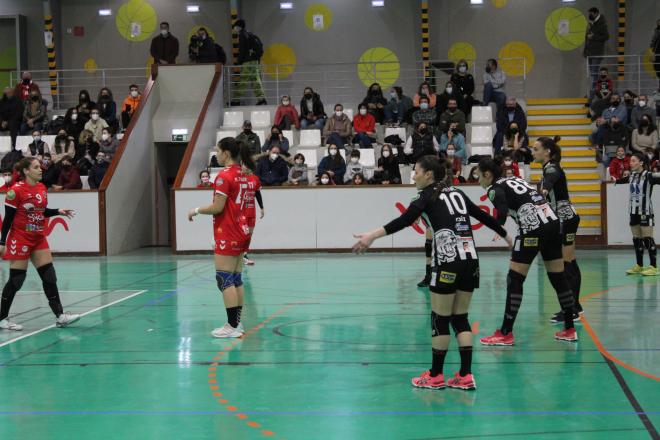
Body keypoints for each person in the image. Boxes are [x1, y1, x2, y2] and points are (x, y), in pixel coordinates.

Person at [353, 155, 513, 390]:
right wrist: (508, 237)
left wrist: (371, 236)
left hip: (447, 261)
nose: (413, 175)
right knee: (460, 318)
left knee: (440, 319)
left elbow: (404, 220)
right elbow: (484, 217)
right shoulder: (457, 192)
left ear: (429, 174)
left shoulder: (426, 195)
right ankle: (465, 375)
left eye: (416, 171)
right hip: (471, 260)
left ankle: (436, 375)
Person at [476, 157, 578, 345]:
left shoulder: (493, 188)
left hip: (532, 227)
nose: (478, 180)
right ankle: (570, 329)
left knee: (515, 278)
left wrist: (499, 227)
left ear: (488, 175)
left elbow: (502, 209)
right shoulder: (516, 179)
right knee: (558, 277)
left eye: (478, 175)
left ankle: (506, 333)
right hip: (553, 223)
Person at [0, 157, 80, 331]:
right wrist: (2, 241)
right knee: (17, 280)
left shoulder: (42, 188)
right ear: (26, 171)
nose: (40, 169)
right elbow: (8, 219)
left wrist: (58, 211)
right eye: (36, 167)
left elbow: (40, 211)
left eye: (40, 167)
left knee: (49, 276)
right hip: (20, 238)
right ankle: (2, 318)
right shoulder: (15, 191)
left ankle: (60, 316)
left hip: (38, 237)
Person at [187, 137, 255, 338]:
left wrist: (196, 210)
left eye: (218, 151)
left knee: (224, 278)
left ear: (226, 153)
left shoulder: (224, 177)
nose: (216, 155)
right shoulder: (244, 174)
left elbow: (218, 207)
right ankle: (237, 323)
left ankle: (231, 326)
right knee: (235, 278)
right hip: (241, 231)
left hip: (228, 231)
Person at [532, 136, 584, 323]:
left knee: (566, 264)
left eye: (536, 149)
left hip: (565, 219)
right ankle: (575, 306)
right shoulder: (548, 167)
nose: (533, 152)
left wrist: (544, 189)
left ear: (547, 152)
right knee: (570, 262)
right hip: (565, 218)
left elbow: (551, 178)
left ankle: (571, 311)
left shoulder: (551, 167)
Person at [615, 153, 660, 276]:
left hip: (645, 211)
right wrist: (616, 180)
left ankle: (654, 266)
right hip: (633, 211)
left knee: (647, 238)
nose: (630, 163)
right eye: (630, 161)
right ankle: (639, 266)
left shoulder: (649, 175)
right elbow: (623, 180)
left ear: (641, 163)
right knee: (636, 239)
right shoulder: (632, 176)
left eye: (634, 161)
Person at [233, 19, 266, 106]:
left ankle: (236, 101)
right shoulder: (250, 33)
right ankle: (262, 99)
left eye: (235, 27)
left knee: (243, 81)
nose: (235, 29)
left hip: (247, 62)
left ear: (239, 26)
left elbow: (242, 50)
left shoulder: (242, 35)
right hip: (254, 61)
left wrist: (239, 62)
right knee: (255, 80)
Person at [241, 158, 265, 267]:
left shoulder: (255, 178)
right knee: (243, 233)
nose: (244, 167)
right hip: (241, 212)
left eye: (246, 165)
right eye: (243, 165)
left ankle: (245, 254)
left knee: (249, 234)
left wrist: (262, 207)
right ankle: (239, 255)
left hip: (251, 211)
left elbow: (257, 193)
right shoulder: (239, 178)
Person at [584, 7, 610, 91]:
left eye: (591, 13)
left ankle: (594, 88)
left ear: (596, 13)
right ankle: (595, 88)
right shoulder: (591, 23)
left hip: (597, 52)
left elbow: (606, 36)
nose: (589, 15)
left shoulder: (602, 23)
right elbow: (587, 38)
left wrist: (593, 37)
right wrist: (585, 50)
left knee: (594, 71)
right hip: (590, 52)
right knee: (592, 72)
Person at [651, 19, 660, 89]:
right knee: (657, 69)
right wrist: (653, 52)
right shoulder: (656, 31)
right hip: (657, 52)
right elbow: (653, 41)